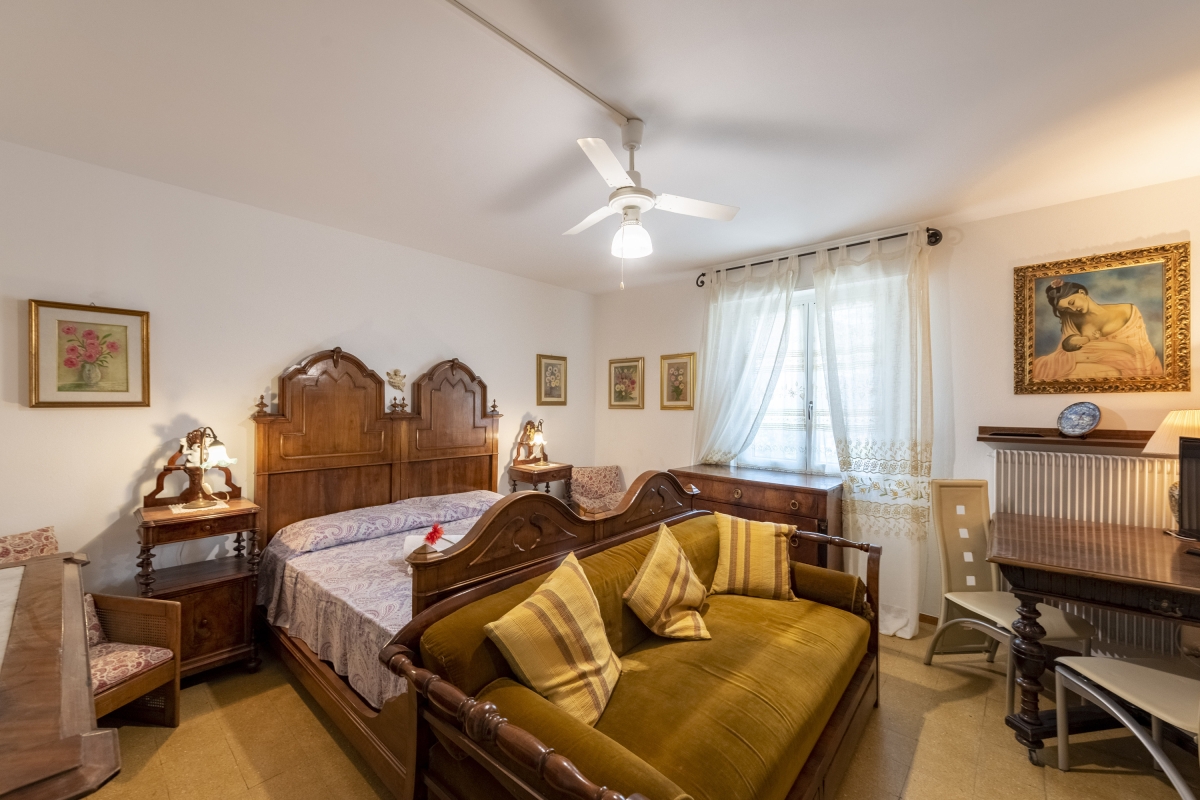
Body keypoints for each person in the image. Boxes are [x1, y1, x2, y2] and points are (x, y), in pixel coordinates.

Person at [1031, 278, 1162, 381]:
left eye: (1072, 303)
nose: (1072, 309)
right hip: (1095, 366)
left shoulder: (1127, 311)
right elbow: (1066, 352)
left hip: (1133, 365)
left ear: (1082, 293)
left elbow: (1141, 349)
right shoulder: (1072, 321)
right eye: (1066, 309)